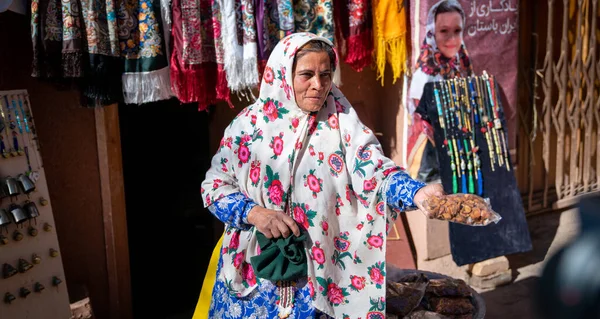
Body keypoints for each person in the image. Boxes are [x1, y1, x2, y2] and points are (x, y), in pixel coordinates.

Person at [197, 32, 444, 319]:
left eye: (325, 75)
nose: (318, 85)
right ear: (282, 74)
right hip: (256, 277)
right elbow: (214, 187)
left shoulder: (342, 125)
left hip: (318, 280)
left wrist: (417, 193)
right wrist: (255, 214)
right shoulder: (247, 127)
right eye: (307, 74)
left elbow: (376, 171)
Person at [406, 0, 473, 183]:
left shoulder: (461, 67)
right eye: (444, 31)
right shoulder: (425, 74)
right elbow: (424, 121)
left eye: (457, 31)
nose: (451, 39)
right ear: (432, 31)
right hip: (430, 165)